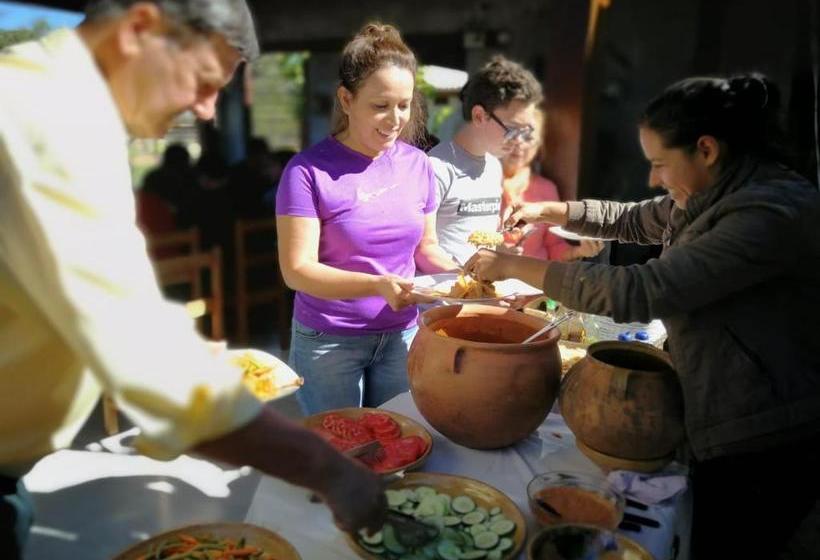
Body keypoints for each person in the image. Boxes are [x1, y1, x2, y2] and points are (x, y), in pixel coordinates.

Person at [0, 2, 384, 557]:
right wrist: (328, 469)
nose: (207, 110)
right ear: (138, 30)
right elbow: (136, 342)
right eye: (204, 82)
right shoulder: (49, 117)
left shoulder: (62, 105)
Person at [465, 73, 820, 559]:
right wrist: (553, 211)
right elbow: (633, 218)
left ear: (706, 149)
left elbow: (643, 290)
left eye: (659, 164)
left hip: (763, 431)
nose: (653, 178)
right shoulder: (712, 190)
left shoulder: (766, 214)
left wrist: (513, 266)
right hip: (728, 408)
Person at [276, 23, 455, 415]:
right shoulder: (306, 171)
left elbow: (426, 249)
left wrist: (473, 277)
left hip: (402, 335)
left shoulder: (419, 164)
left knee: (401, 436)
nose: (395, 119)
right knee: (341, 446)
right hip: (328, 342)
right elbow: (297, 270)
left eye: (404, 105)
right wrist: (377, 285)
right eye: (380, 106)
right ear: (346, 99)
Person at [427, 55, 542, 264]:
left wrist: (503, 253)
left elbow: (483, 242)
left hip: (481, 283)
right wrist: (466, 277)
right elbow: (424, 249)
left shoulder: (494, 166)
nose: (519, 141)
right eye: (512, 129)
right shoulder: (436, 168)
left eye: (525, 131)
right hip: (445, 283)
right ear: (479, 116)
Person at [500, 107, 604, 261]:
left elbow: (554, 246)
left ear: (538, 146)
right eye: (513, 132)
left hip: (533, 275)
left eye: (528, 137)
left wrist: (580, 251)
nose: (519, 142)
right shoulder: (481, 184)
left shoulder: (546, 189)